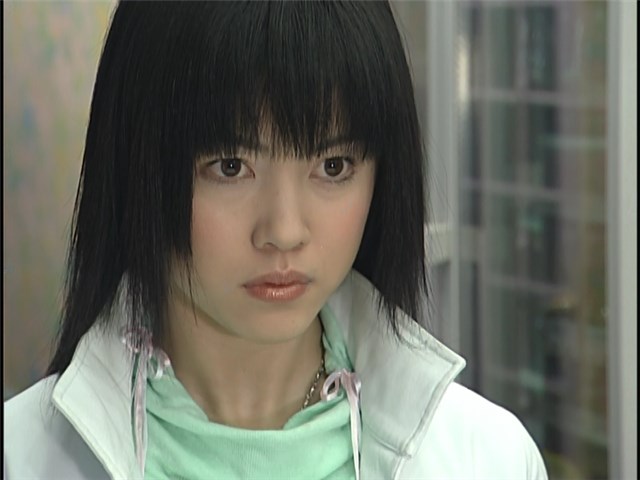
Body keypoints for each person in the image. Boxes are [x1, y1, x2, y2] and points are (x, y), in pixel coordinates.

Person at [4, 2, 548, 479]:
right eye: (230, 166)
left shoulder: (489, 460)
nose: (284, 231)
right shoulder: (21, 457)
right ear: (137, 162)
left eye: (333, 166)